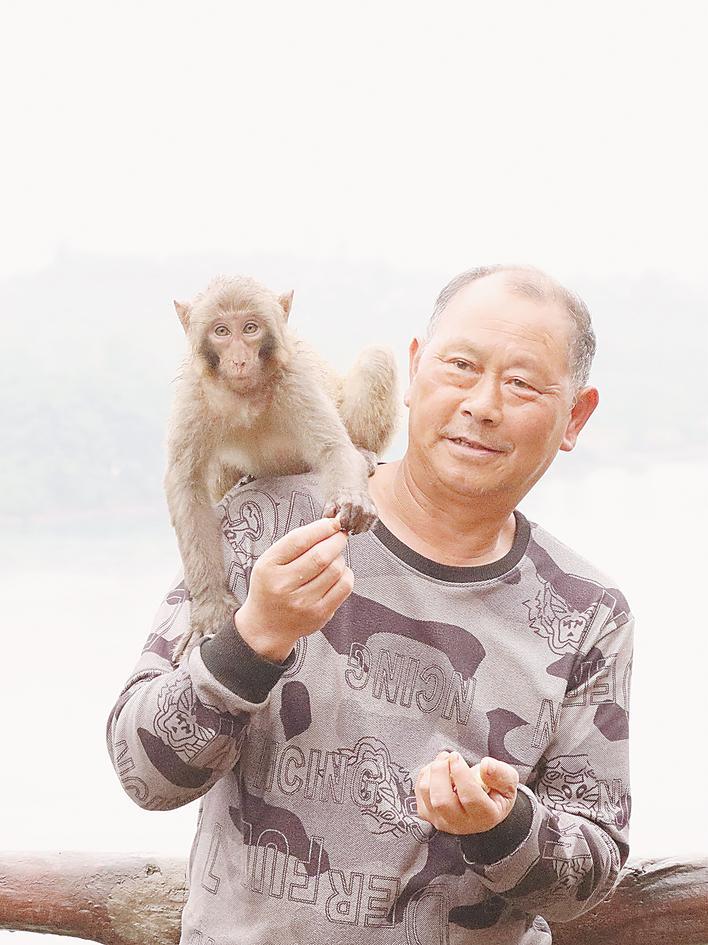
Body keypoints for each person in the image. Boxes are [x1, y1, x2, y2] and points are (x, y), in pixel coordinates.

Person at [107, 264, 633, 945]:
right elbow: (142, 771)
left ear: (575, 416)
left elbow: (591, 869)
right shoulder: (264, 527)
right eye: (461, 366)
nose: (483, 404)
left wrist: (503, 826)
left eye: (523, 383)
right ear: (414, 373)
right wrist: (253, 638)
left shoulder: (586, 613)